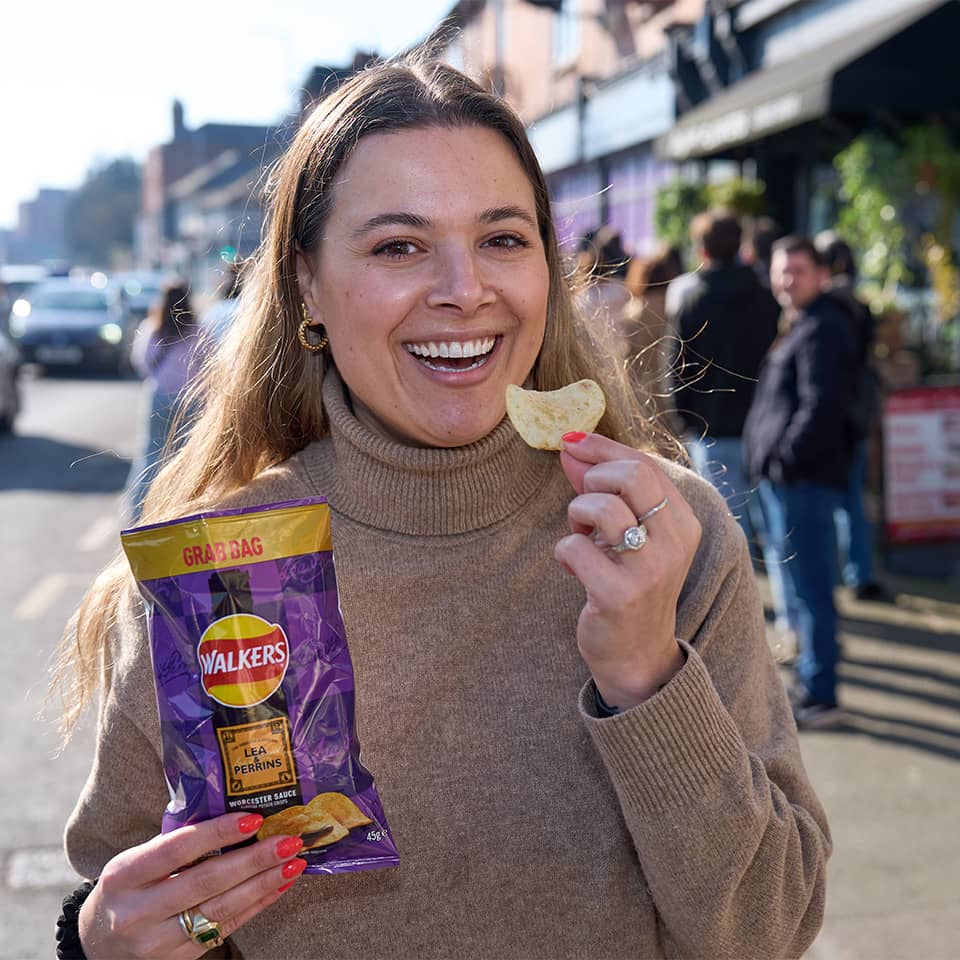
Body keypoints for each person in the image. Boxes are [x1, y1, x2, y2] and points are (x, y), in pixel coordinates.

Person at [52, 57, 829, 959]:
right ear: (307, 283)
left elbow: (768, 930)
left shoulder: (669, 537)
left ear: (548, 264)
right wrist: (103, 945)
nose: (465, 288)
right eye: (398, 246)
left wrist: (648, 675)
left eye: (503, 238)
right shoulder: (207, 577)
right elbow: (129, 901)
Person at [743, 236, 861, 729]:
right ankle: (814, 682)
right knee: (802, 583)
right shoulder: (804, 322)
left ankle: (822, 692)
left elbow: (821, 406)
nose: (787, 279)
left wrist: (785, 459)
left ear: (819, 274)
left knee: (811, 586)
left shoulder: (823, 328)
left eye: (798, 270)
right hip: (789, 478)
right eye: (781, 270)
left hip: (803, 481)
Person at [668, 209, 780, 553]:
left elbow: (679, 368)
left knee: (727, 529)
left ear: (702, 251)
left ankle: (739, 605)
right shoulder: (767, 296)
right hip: (766, 421)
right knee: (777, 527)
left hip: (712, 425)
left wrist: (685, 418)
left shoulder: (693, 300)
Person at [815, 232, 891, 603]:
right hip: (858, 415)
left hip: (833, 419)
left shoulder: (824, 306)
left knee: (824, 502)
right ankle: (861, 572)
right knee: (854, 499)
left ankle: (833, 576)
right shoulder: (860, 305)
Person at [124, 280, 209, 522]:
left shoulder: (152, 329)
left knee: (151, 455)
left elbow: (141, 362)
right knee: (187, 459)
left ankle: (137, 517)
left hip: (159, 396)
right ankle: (183, 515)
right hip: (191, 400)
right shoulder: (198, 330)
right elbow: (211, 366)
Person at [621, 246, 682, 424]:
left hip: (644, 388)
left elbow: (627, 354)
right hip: (672, 383)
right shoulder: (674, 304)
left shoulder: (635, 310)